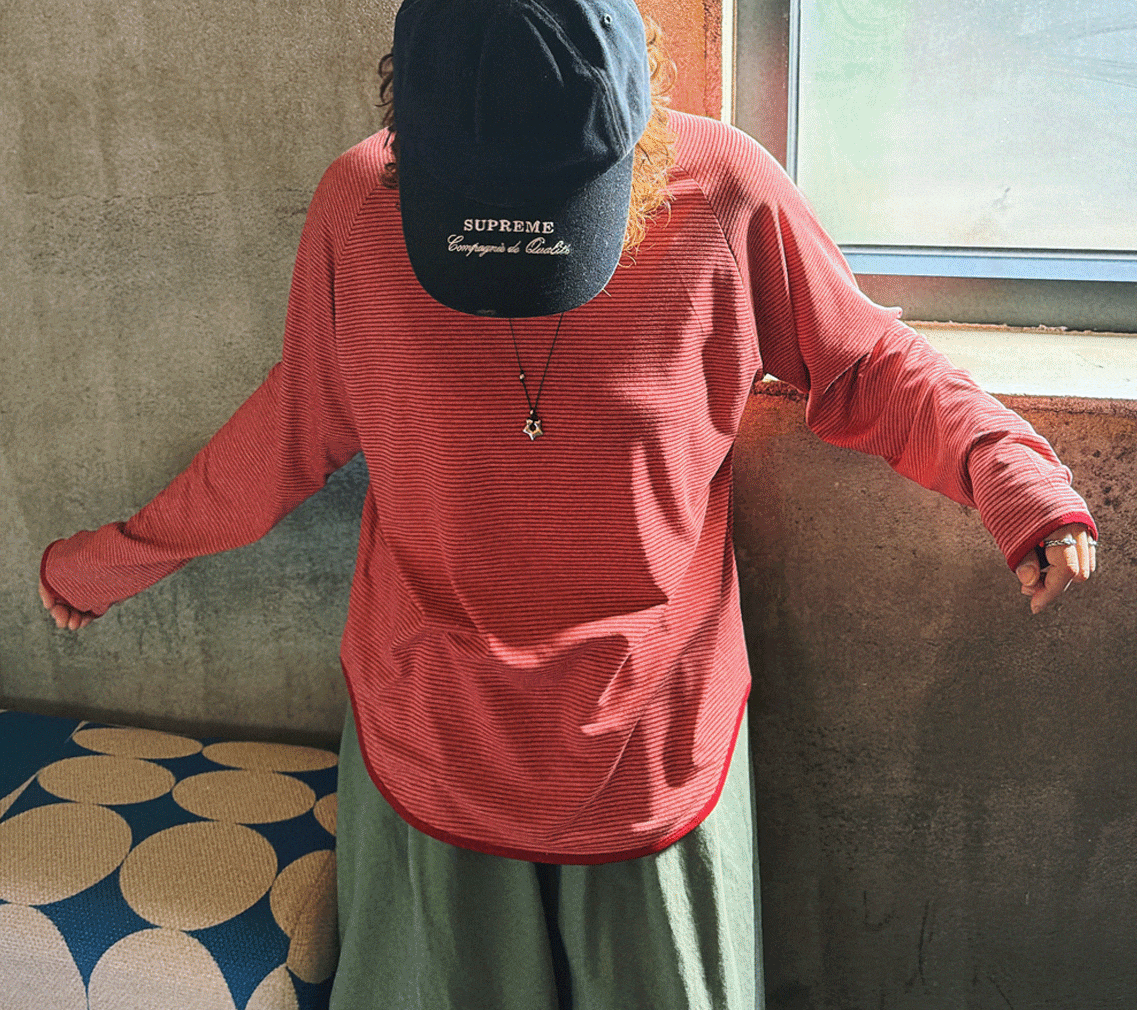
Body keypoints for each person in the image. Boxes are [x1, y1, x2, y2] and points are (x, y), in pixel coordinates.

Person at [38, 0, 1097, 1007]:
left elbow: (863, 362)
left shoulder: (724, 192)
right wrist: (112, 561)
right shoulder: (360, 209)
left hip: (651, 749)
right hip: (432, 741)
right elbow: (293, 423)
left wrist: (1009, 471)